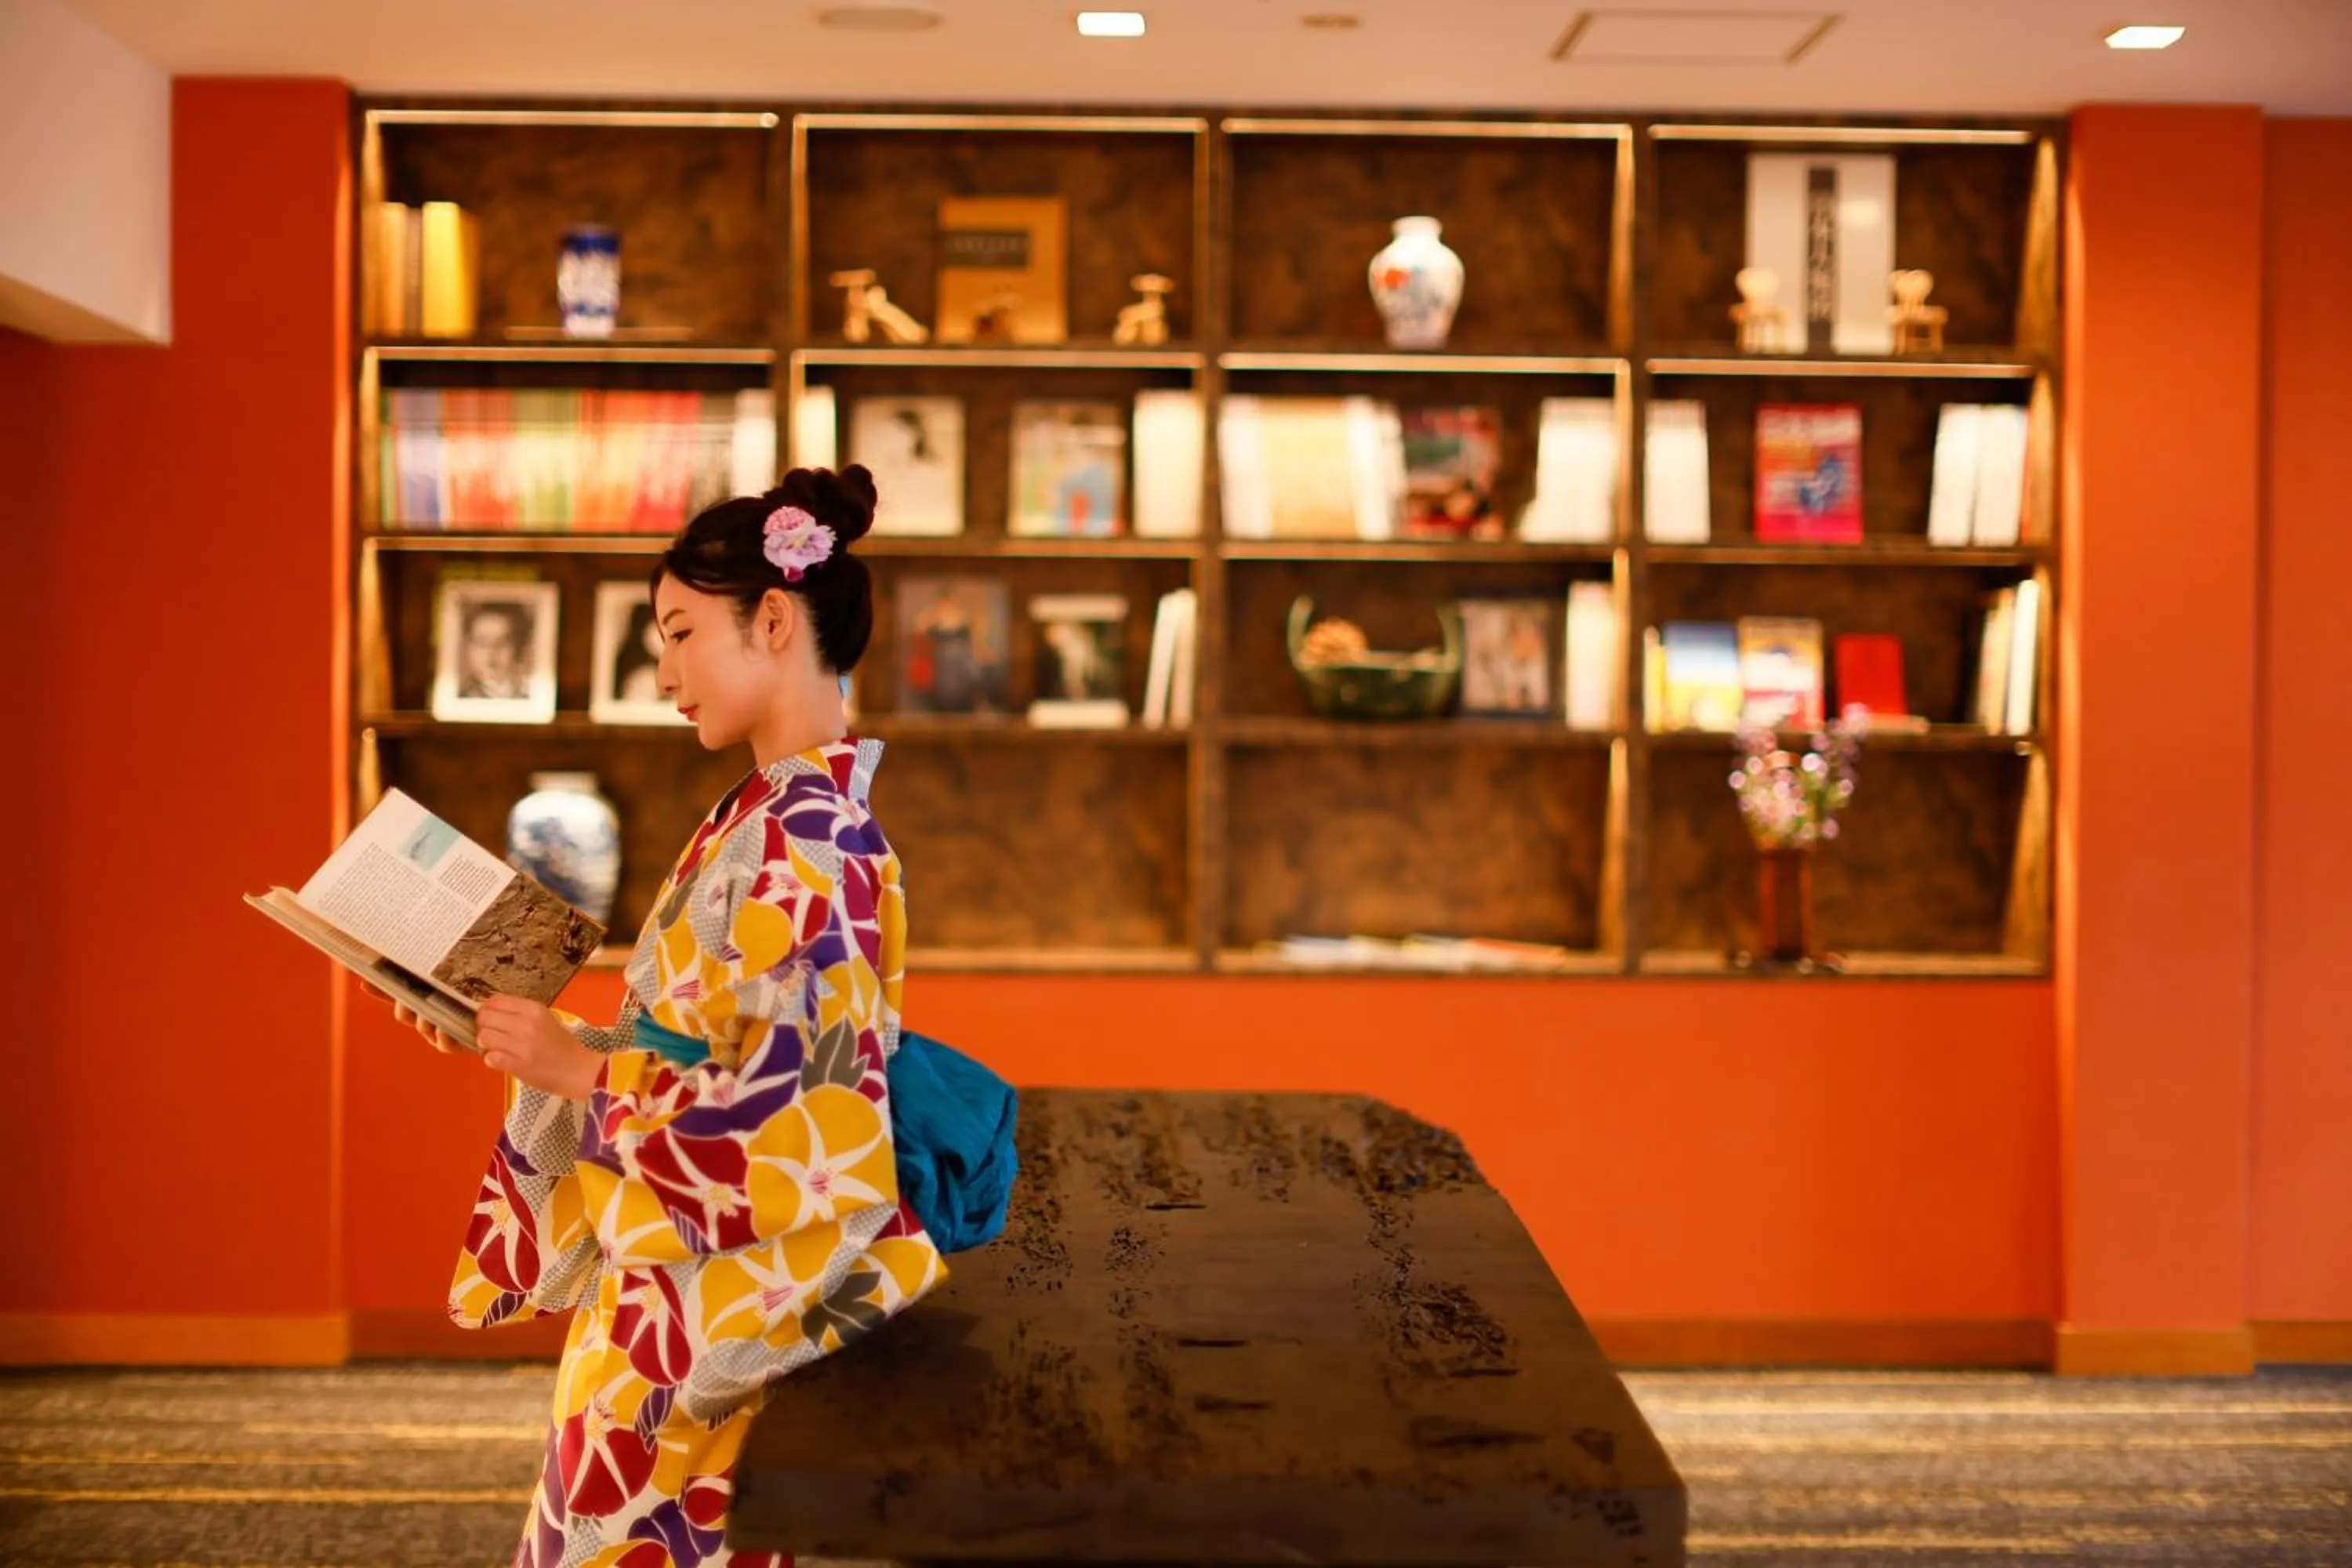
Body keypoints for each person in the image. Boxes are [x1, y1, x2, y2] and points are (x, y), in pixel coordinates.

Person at [379, 466, 1004, 1568]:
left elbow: (797, 1111)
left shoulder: (813, 842)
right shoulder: (766, 814)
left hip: (718, 1310)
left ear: (773, 619)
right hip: (680, 1277)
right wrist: (531, 1042)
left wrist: (579, 1074)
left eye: (677, 632)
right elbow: (714, 1055)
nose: (661, 669)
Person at [457, 599, 535, 701]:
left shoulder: (530, 696)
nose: (491, 651)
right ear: (469, 647)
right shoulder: (460, 697)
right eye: (482, 643)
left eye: (502, 642)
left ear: (518, 647)